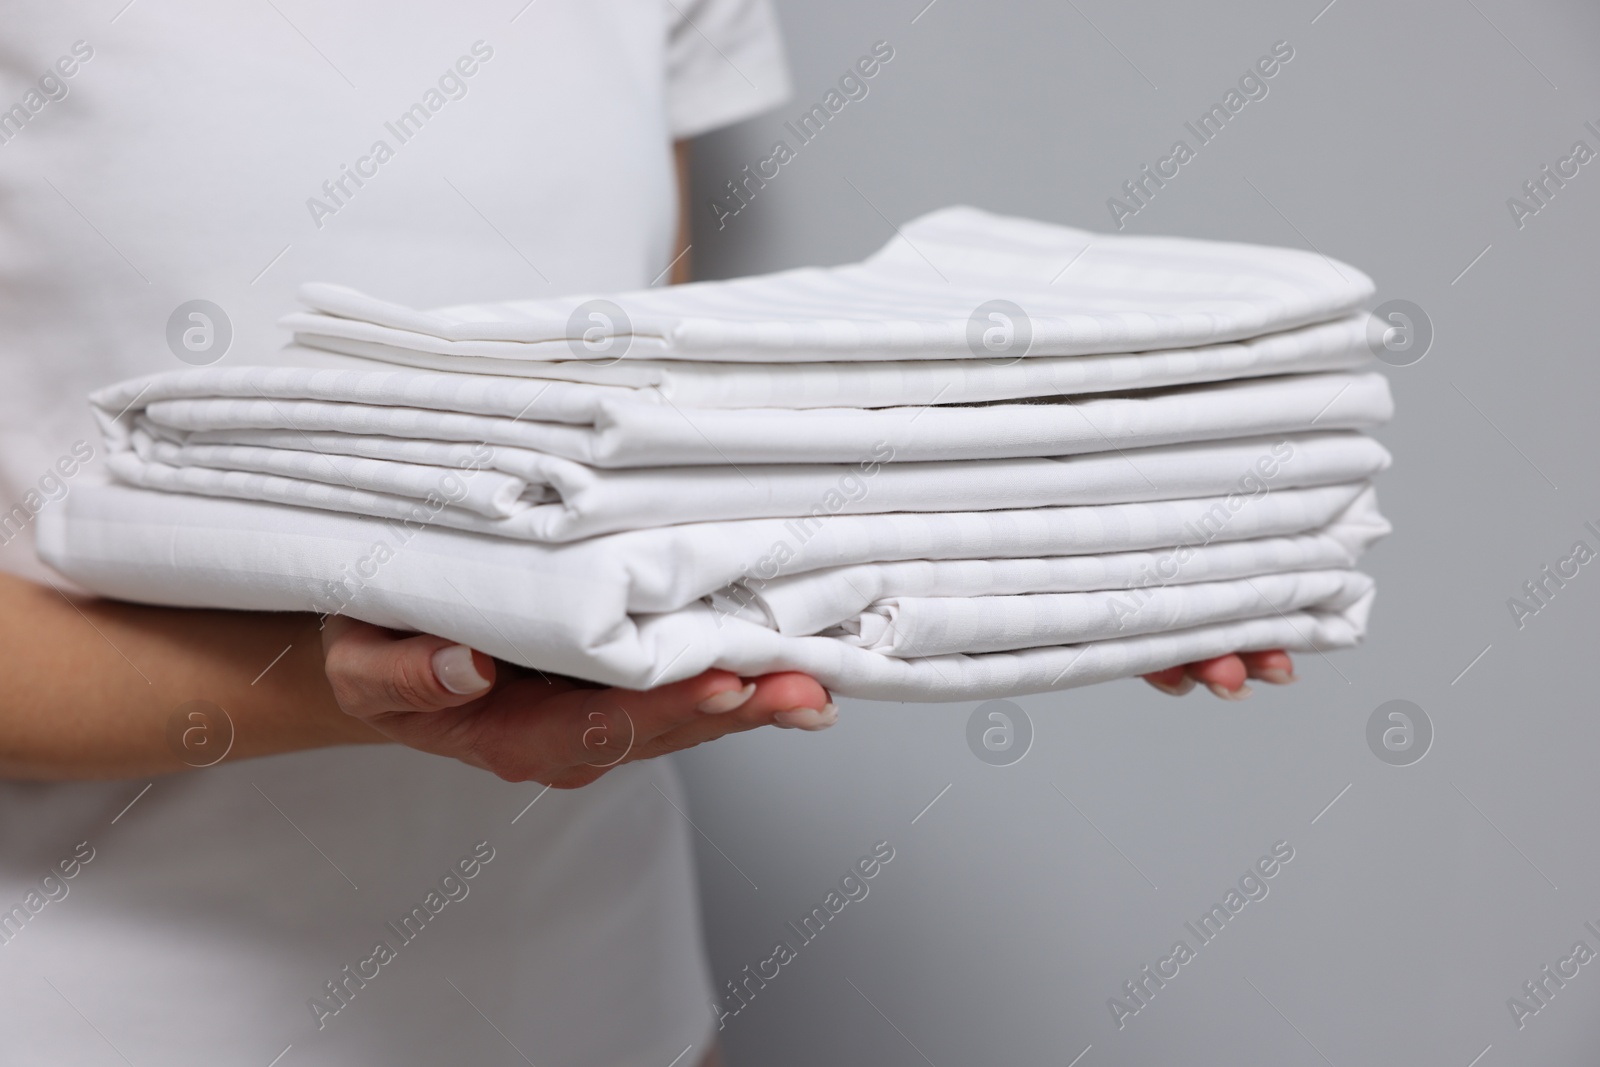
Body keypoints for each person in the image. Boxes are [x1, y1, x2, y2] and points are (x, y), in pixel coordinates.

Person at [0, 4, 1289, 1064]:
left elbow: (648, 433)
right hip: (110, 1006)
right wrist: (374, 679)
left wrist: (1056, 540)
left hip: (603, 998)